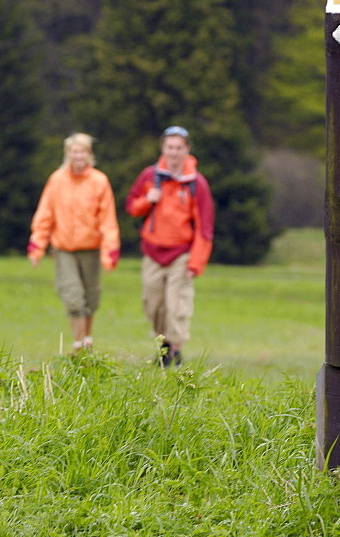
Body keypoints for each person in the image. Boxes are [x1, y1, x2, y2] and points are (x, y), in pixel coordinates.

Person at [125, 125, 214, 367]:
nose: (173, 153)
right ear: (163, 149)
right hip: (153, 252)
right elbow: (132, 207)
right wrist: (147, 200)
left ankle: (175, 351)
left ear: (187, 150)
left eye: (178, 148)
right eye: (169, 147)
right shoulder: (149, 176)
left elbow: (205, 228)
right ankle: (163, 345)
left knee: (177, 304)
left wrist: (195, 263)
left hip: (181, 253)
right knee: (153, 304)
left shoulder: (197, 183)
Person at [27, 133, 120, 354]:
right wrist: (37, 245)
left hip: (90, 248)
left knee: (90, 298)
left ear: (89, 155)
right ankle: (77, 345)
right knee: (73, 297)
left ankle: (87, 340)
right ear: (67, 154)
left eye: (82, 151)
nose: (77, 156)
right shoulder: (57, 180)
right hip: (64, 248)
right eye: (73, 151)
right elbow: (45, 215)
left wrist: (110, 252)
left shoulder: (100, 181)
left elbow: (107, 219)